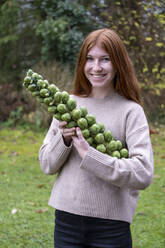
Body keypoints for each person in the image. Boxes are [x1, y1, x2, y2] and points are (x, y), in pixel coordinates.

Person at [39, 28, 154, 248]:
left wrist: (89, 155)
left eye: (105, 59)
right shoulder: (66, 105)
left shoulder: (131, 111)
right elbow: (46, 164)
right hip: (66, 222)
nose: (96, 67)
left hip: (111, 227)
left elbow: (143, 173)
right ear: (82, 63)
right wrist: (63, 140)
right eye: (89, 59)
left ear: (118, 63)